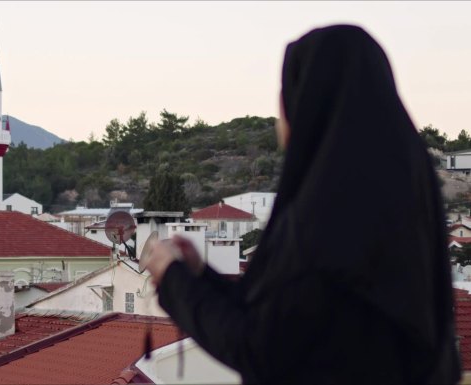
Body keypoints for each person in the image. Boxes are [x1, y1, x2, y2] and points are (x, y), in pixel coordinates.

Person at [145, 25, 460, 384]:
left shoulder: (323, 215)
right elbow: (291, 317)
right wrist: (201, 277)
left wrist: (173, 280)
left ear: (308, 103)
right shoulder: (408, 202)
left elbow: (259, 346)